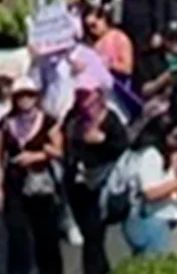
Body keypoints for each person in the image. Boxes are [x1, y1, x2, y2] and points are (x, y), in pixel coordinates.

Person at [0, 74, 64, 274]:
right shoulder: (5, 123)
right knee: (17, 238)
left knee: (46, 239)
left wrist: (38, 155)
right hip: (15, 185)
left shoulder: (48, 121)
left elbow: (60, 151)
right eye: (20, 95)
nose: (25, 100)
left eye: (29, 95)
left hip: (42, 185)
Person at [63, 79, 130, 274]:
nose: (86, 103)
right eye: (82, 97)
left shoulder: (111, 120)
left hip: (102, 184)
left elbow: (122, 147)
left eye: (89, 97)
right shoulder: (74, 118)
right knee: (90, 235)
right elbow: (67, 142)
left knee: (93, 236)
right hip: (78, 185)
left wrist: (102, 141)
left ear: (99, 96)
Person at [125, 120, 177, 256]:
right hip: (150, 221)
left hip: (161, 219)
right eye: (174, 137)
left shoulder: (166, 154)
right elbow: (151, 193)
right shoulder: (150, 155)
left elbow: (167, 183)